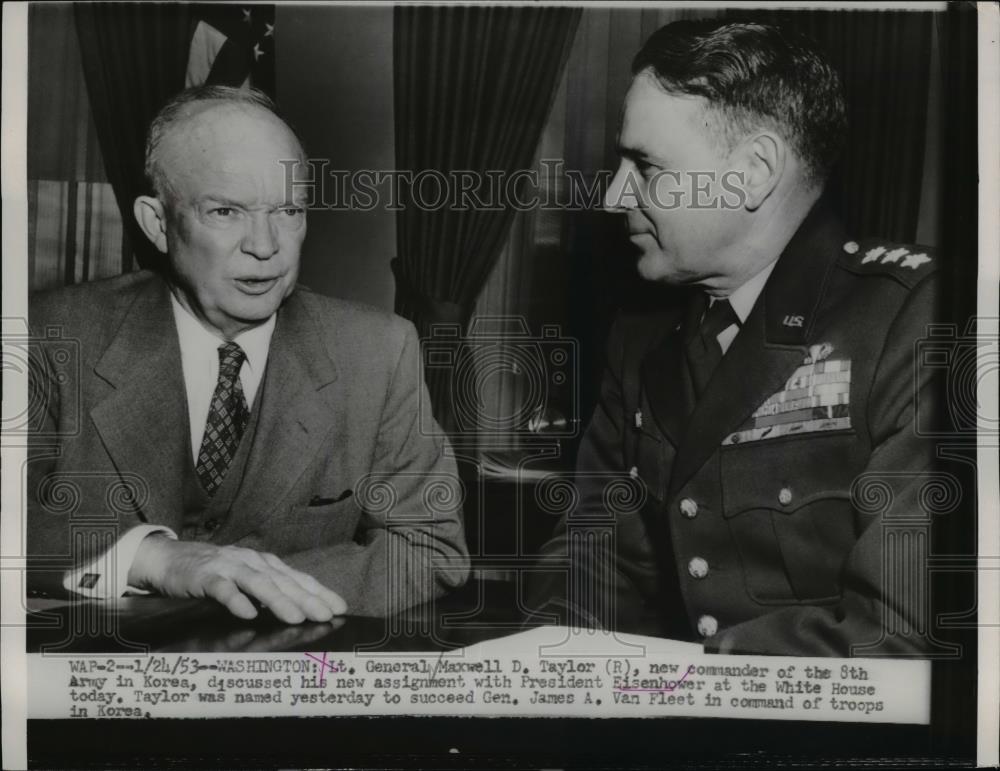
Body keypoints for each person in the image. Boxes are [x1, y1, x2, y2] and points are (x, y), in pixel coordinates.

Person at [526, 20, 942, 656]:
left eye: (645, 165)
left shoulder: (922, 320)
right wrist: (546, 658)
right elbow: (594, 557)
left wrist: (681, 689)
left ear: (753, 171)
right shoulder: (639, 335)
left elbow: (902, 638)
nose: (615, 196)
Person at [28, 85, 469, 624]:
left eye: (288, 209)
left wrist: (247, 586)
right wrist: (151, 558)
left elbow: (428, 551)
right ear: (157, 223)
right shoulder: (48, 335)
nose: (265, 245)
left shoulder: (379, 351)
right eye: (225, 210)